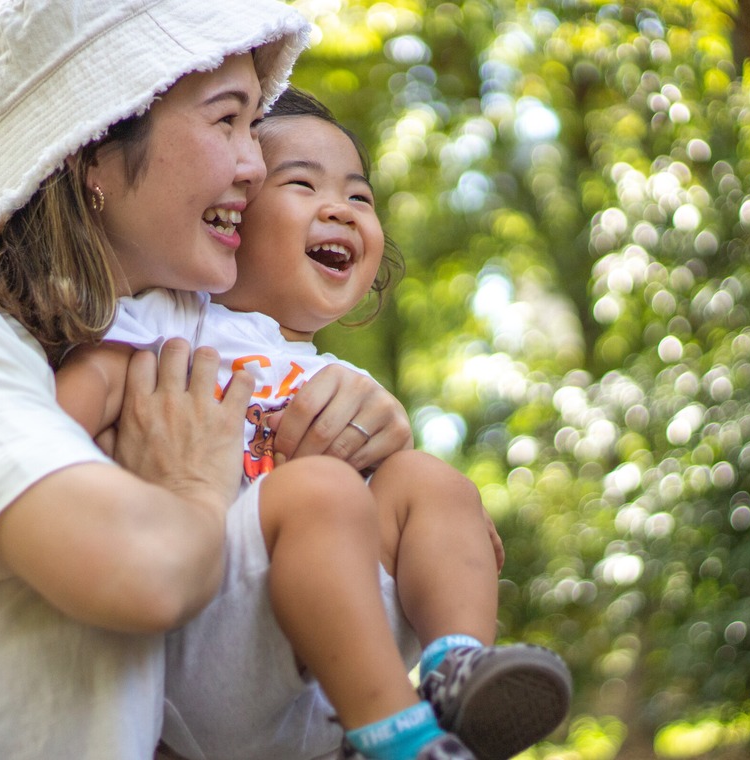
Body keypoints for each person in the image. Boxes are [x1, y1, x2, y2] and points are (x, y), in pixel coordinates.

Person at [0, 2, 421, 758]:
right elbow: (144, 577)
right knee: (102, 597)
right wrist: (190, 488)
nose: (255, 165)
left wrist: (349, 433)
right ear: (92, 152)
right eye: (226, 122)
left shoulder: (188, 365)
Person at [55, 88, 573, 760]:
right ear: (230, 212)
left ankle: (453, 674)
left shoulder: (353, 391)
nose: (340, 209)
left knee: (432, 483)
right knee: (322, 490)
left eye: (360, 198)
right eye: (301, 184)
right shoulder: (171, 320)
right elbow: (66, 411)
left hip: (327, 688)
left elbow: (422, 527)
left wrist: (456, 532)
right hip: (206, 654)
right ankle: (401, 738)